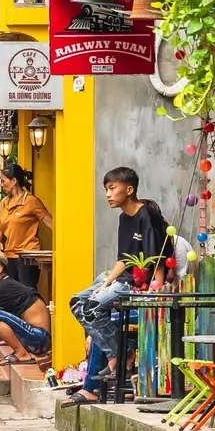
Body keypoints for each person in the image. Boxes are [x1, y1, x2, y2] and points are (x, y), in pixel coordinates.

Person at [64, 166, 170, 405]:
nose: (108, 194)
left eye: (112, 188)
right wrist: (106, 283)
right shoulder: (124, 217)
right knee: (77, 302)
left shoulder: (148, 215)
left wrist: (158, 290)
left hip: (139, 284)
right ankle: (121, 354)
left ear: (129, 189)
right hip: (123, 279)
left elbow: (158, 259)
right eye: (106, 189)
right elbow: (123, 258)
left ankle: (118, 357)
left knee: (92, 308)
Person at [0, 162, 52, 288]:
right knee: (11, 291)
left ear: (14, 181)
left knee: (27, 291)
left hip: (27, 254)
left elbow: (50, 222)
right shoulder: (4, 203)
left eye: (3, 181)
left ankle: (39, 308)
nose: (1, 184)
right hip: (9, 255)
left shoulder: (32, 201)